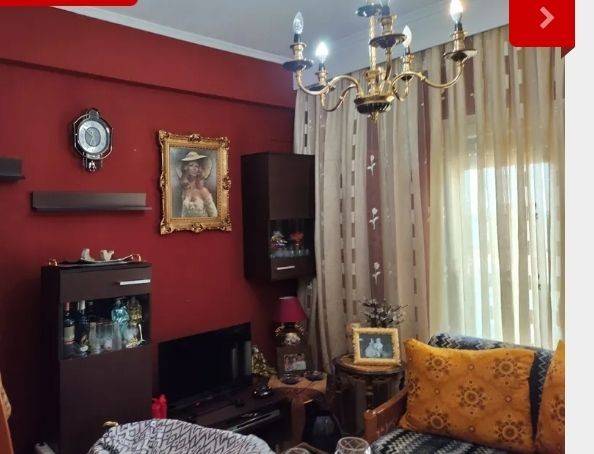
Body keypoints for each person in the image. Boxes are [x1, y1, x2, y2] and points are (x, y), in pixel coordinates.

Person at [178, 151, 218, 218]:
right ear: (186, 168)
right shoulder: (185, 190)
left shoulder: (203, 191)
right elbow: (183, 215)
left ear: (199, 169)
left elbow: (214, 216)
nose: (194, 168)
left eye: (196, 166)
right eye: (191, 165)